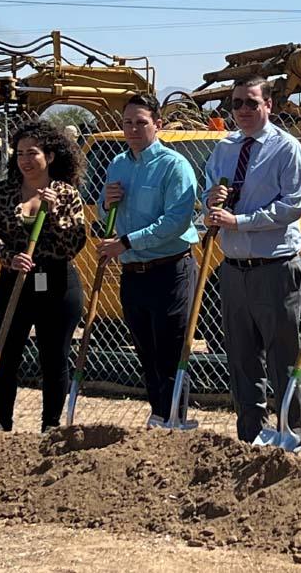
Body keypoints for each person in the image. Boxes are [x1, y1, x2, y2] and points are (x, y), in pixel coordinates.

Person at [203, 76, 301, 442]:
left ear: (269, 104)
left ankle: (289, 434)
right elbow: (208, 196)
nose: (244, 111)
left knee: (282, 359)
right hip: (233, 269)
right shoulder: (224, 148)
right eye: (236, 104)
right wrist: (211, 202)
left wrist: (241, 222)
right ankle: (250, 434)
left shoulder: (286, 148)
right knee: (241, 359)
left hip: (274, 268)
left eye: (251, 102)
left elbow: (292, 206)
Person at [97, 94, 200, 424]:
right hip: (133, 273)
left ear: (158, 124)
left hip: (170, 270)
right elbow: (104, 211)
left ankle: (174, 422)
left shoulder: (174, 166)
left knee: (170, 354)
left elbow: (176, 222)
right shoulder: (118, 164)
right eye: (127, 122)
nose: (133, 128)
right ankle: (158, 415)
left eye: (141, 122)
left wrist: (126, 242)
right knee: (146, 353)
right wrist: (106, 203)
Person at [0, 120, 86, 433]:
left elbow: (75, 242)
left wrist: (53, 215)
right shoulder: (3, 191)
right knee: (4, 353)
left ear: (50, 156)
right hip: (15, 280)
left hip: (56, 284)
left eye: (33, 153)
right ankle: (2, 424)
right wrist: (9, 258)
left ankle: (51, 428)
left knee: (54, 357)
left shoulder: (66, 194)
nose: (26, 160)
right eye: (21, 153)